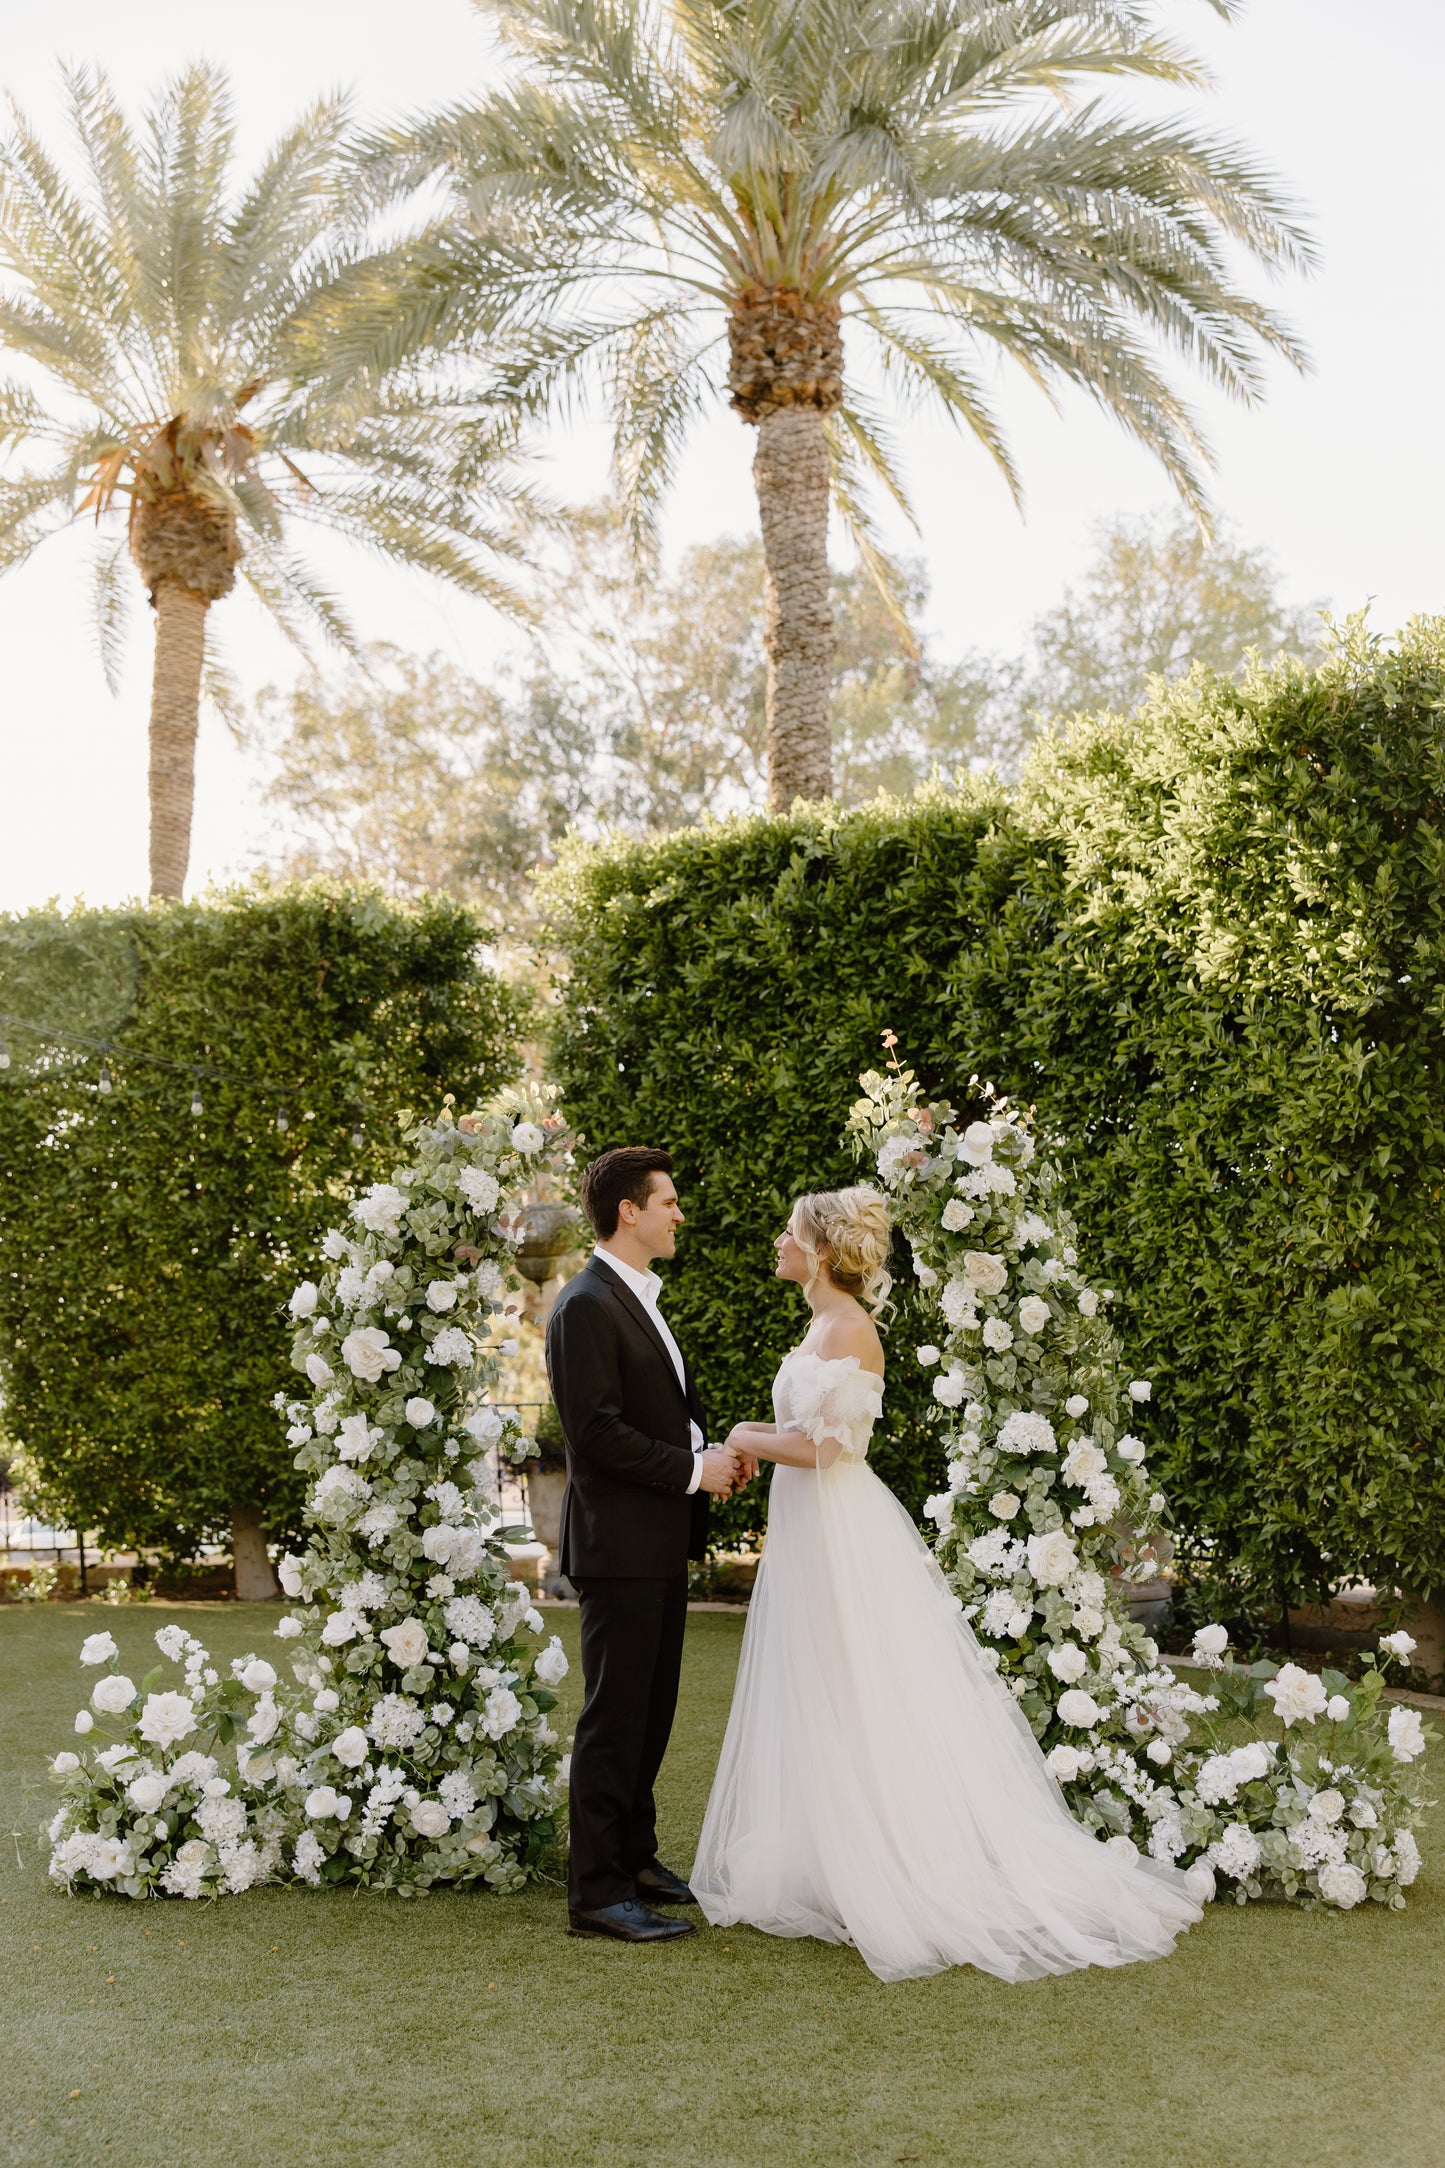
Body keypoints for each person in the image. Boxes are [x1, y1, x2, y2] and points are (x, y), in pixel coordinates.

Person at [690, 1184, 1207, 1984]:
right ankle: (833, 1852)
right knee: (819, 1683)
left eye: (788, 1233)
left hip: (835, 1525)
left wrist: (738, 1435)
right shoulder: (819, 1322)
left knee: (856, 1682)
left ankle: (891, 1862)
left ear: (820, 1251)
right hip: (806, 1524)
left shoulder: (853, 1328)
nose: (778, 1242)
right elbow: (805, 1437)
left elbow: (831, 1451)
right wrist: (763, 1440)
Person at [545, 1146, 742, 1943]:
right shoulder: (585, 1304)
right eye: (666, 1201)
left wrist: (711, 1455)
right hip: (619, 1545)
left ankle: (633, 1857)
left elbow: (661, 1413)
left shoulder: (637, 1296)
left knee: (652, 1712)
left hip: (655, 1543)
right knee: (615, 1717)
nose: (677, 1213)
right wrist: (695, 1471)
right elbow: (593, 1436)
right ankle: (595, 1891)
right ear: (629, 1211)